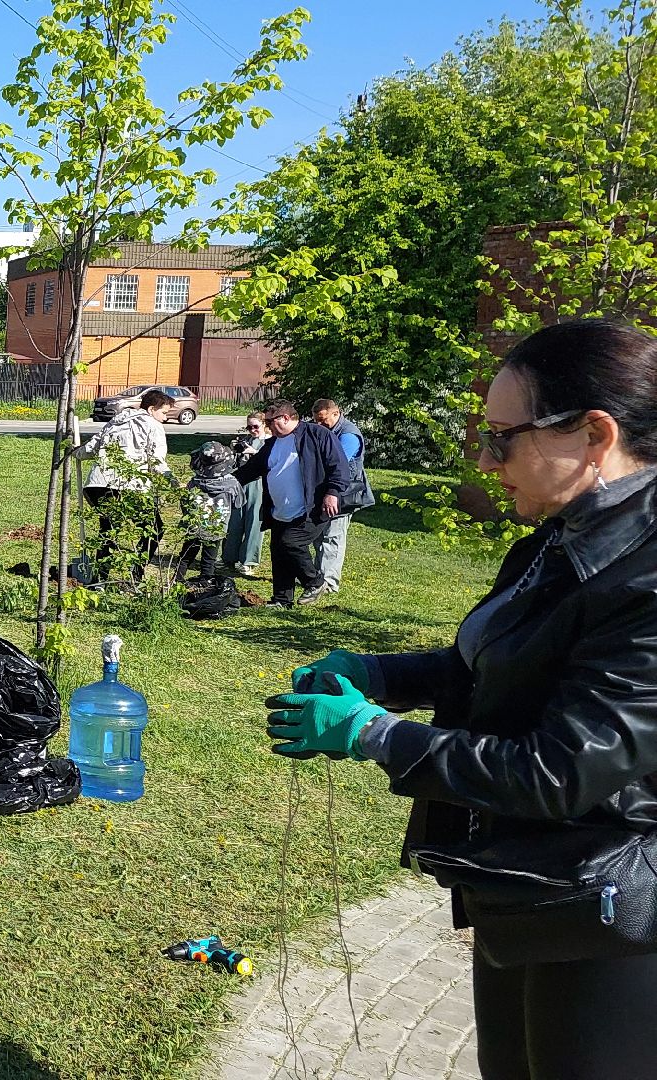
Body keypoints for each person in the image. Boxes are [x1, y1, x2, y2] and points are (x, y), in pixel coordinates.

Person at [270, 319, 657, 1080]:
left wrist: (375, 735)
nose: (483, 461)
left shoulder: (646, 579)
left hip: (610, 914)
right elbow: (494, 664)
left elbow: (560, 770)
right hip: (529, 887)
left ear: (593, 434)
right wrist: (382, 675)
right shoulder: (565, 532)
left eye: (502, 439)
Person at [233, 401, 344, 607]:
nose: (268, 427)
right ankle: (282, 600)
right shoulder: (272, 443)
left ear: (285, 418)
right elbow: (252, 468)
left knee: (290, 543)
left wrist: (333, 492)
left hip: (312, 508)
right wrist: (228, 481)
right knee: (279, 551)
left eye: (270, 422)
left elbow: (338, 465)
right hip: (279, 510)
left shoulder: (317, 435)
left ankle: (314, 581)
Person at [73, 388, 176, 580]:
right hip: (128, 486)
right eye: (164, 413)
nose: (165, 418)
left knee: (109, 530)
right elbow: (156, 461)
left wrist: (74, 451)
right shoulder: (153, 426)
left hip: (97, 485)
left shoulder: (116, 422)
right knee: (155, 529)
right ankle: (136, 574)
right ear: (152, 409)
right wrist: (173, 483)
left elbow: (90, 449)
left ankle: (99, 579)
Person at [312, 398, 373, 592]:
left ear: (335, 414)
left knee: (333, 536)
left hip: (343, 495)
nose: (319, 424)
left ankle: (329, 582)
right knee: (320, 536)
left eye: (323, 420)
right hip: (325, 491)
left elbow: (338, 464)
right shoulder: (327, 431)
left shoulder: (349, 435)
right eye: (316, 421)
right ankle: (318, 577)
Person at [177, 441, 242, 581]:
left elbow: (185, 502)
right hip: (216, 527)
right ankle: (205, 586)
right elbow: (239, 503)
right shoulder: (232, 483)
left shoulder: (195, 481)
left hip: (194, 524)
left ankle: (176, 581)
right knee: (209, 560)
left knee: (186, 555)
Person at [224, 411, 268, 575]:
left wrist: (255, 454)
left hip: (258, 483)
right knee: (235, 520)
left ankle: (248, 561)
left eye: (255, 426)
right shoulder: (246, 440)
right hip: (241, 482)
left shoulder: (269, 441)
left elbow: (270, 462)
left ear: (264, 424)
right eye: (249, 427)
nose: (252, 430)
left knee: (254, 522)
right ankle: (229, 557)